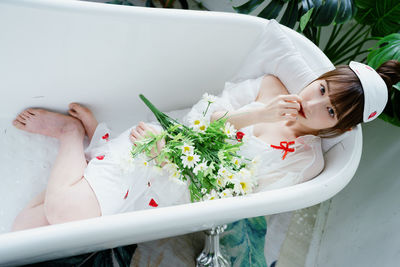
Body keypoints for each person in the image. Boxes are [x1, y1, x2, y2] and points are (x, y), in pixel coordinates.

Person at [11, 60, 400, 231]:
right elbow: (199, 115)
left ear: (341, 127)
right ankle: (72, 136)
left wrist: (186, 168)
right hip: (156, 146)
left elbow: (239, 198)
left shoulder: (305, 163)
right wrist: (257, 115)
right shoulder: (268, 88)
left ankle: (94, 147)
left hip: (172, 199)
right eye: (319, 89)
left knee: (28, 228)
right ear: (317, 79)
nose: (310, 104)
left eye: (329, 111)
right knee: (62, 216)